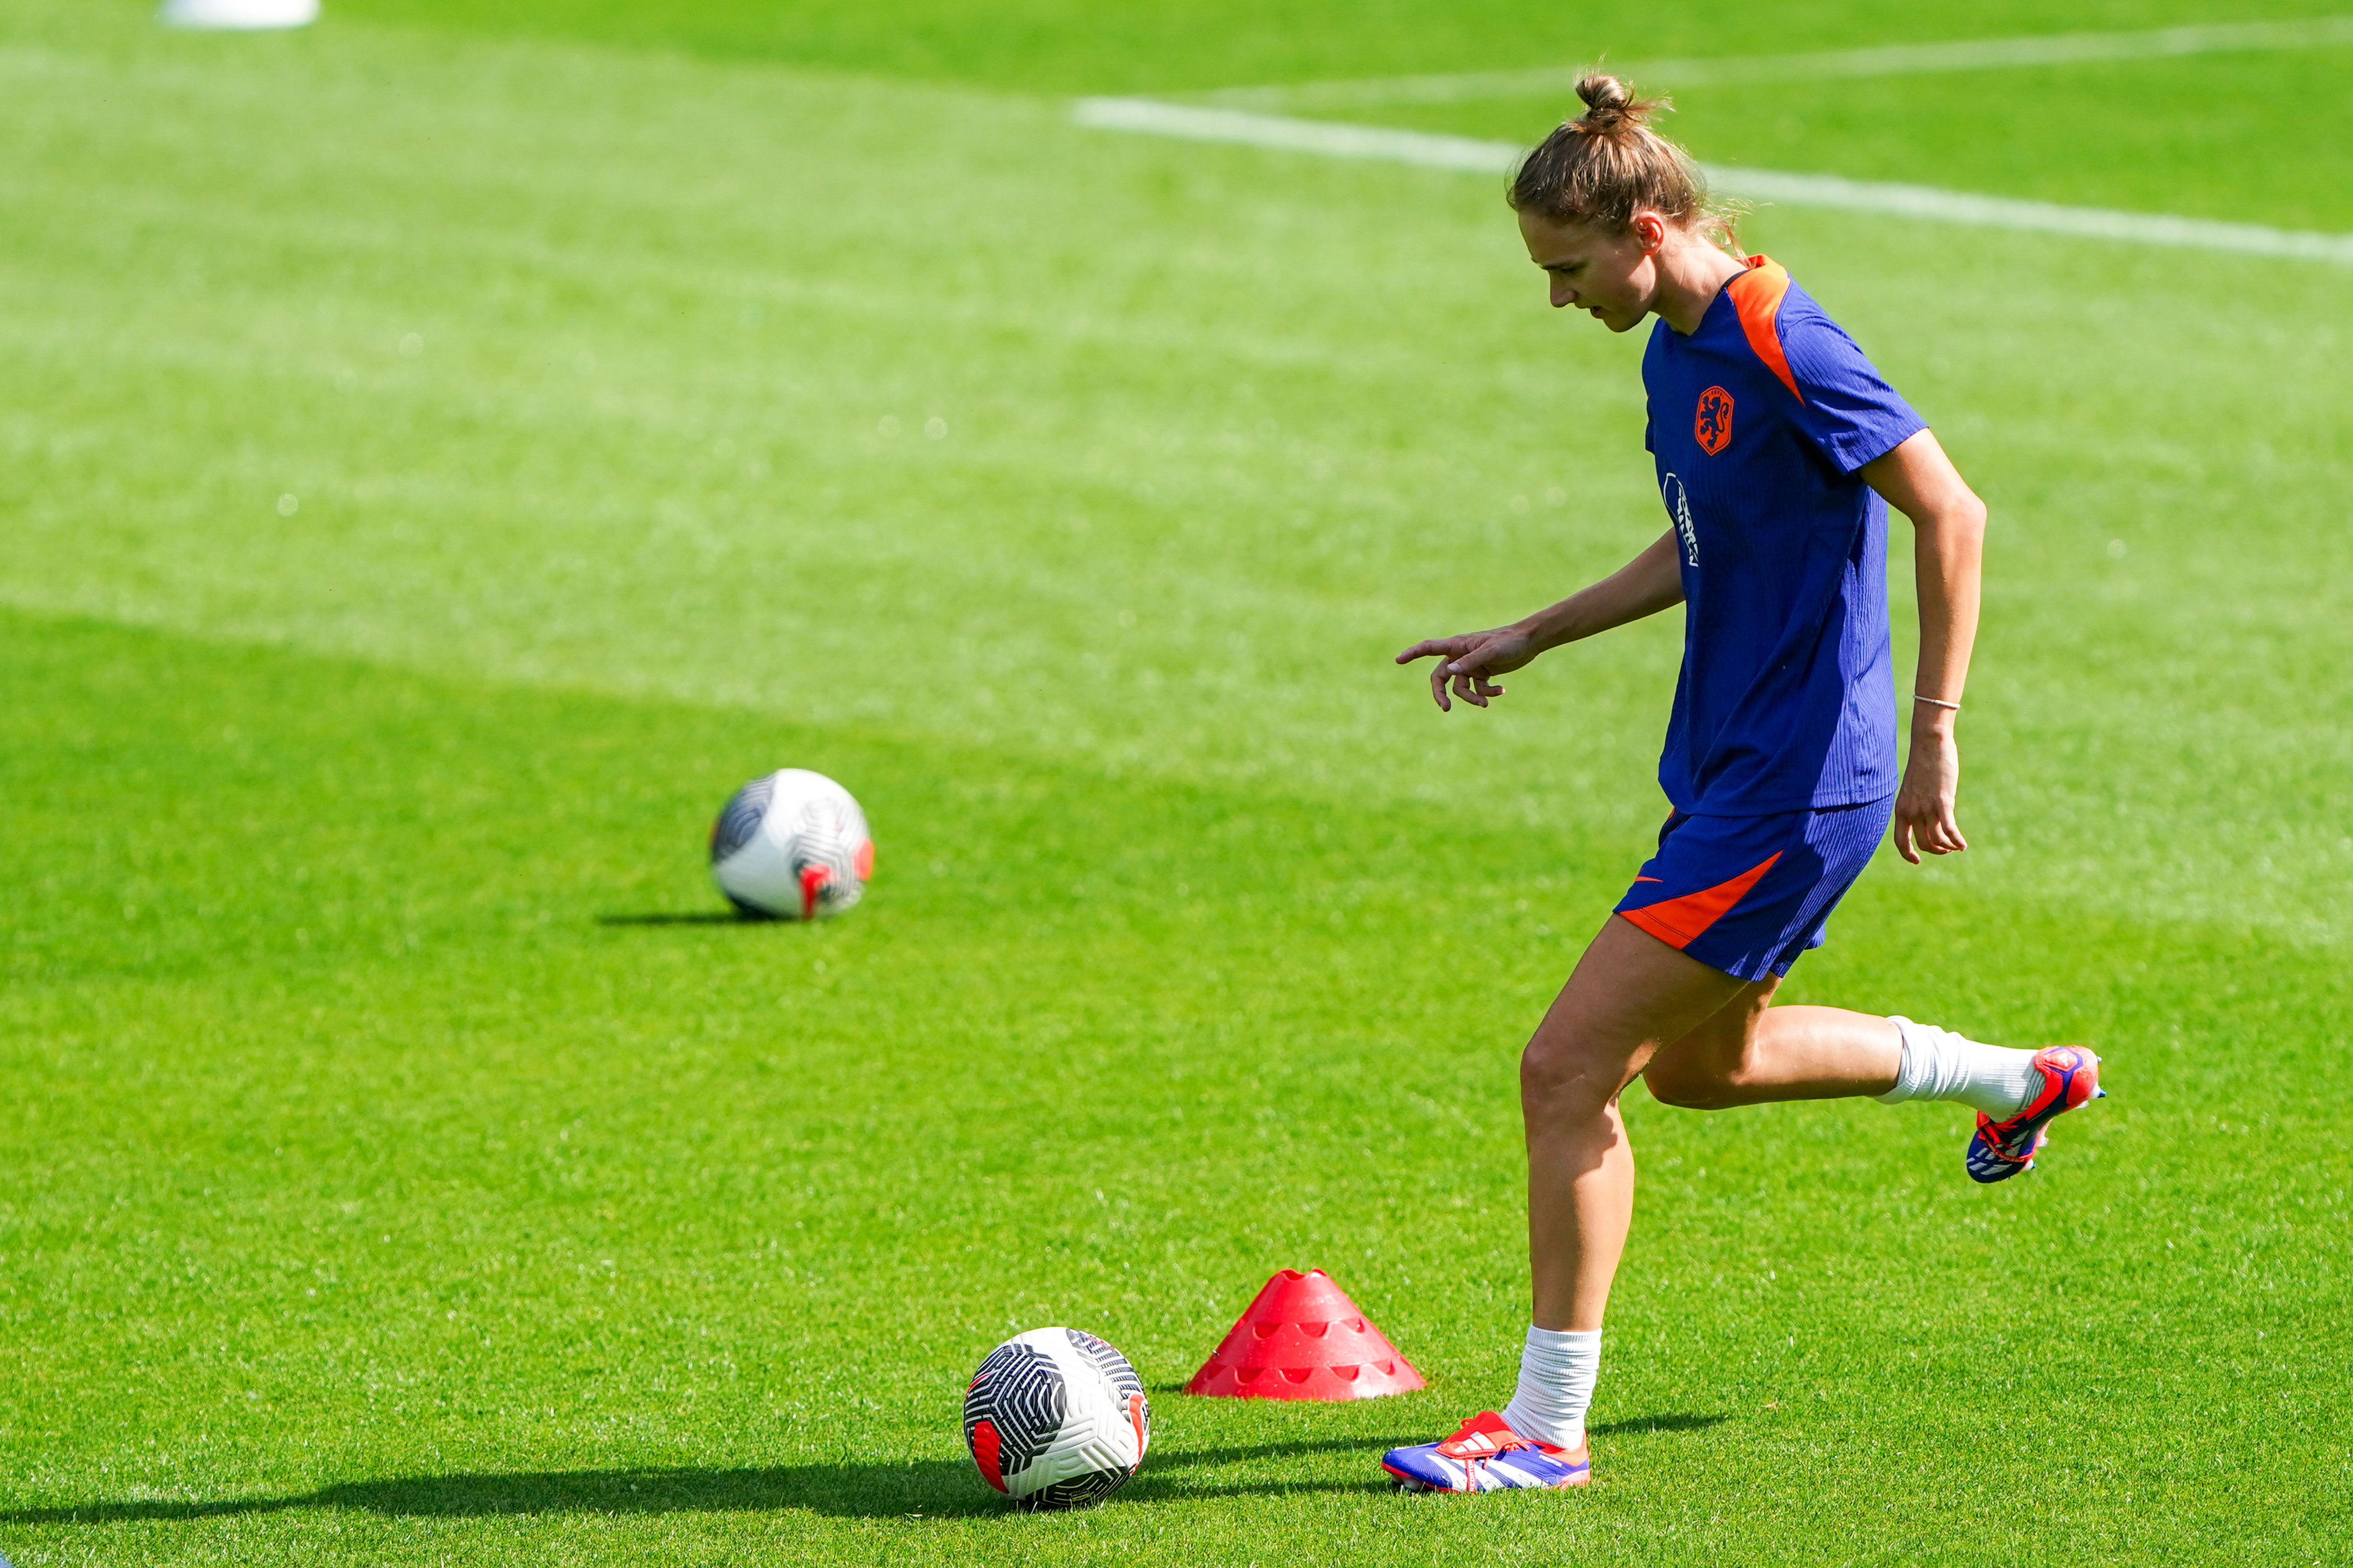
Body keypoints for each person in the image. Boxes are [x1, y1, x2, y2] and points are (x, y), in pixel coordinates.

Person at [1378, 75, 2104, 1495]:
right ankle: (2023, 1081)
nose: (1558, 299)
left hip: (1797, 784)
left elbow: (1951, 509)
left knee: (1564, 1069)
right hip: (1732, 767)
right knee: (1705, 1070)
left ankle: (1543, 1430)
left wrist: (1936, 730)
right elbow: (1704, 533)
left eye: (1567, 269)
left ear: (1646, 231)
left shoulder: (1783, 335)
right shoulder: (1674, 347)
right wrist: (1537, 629)